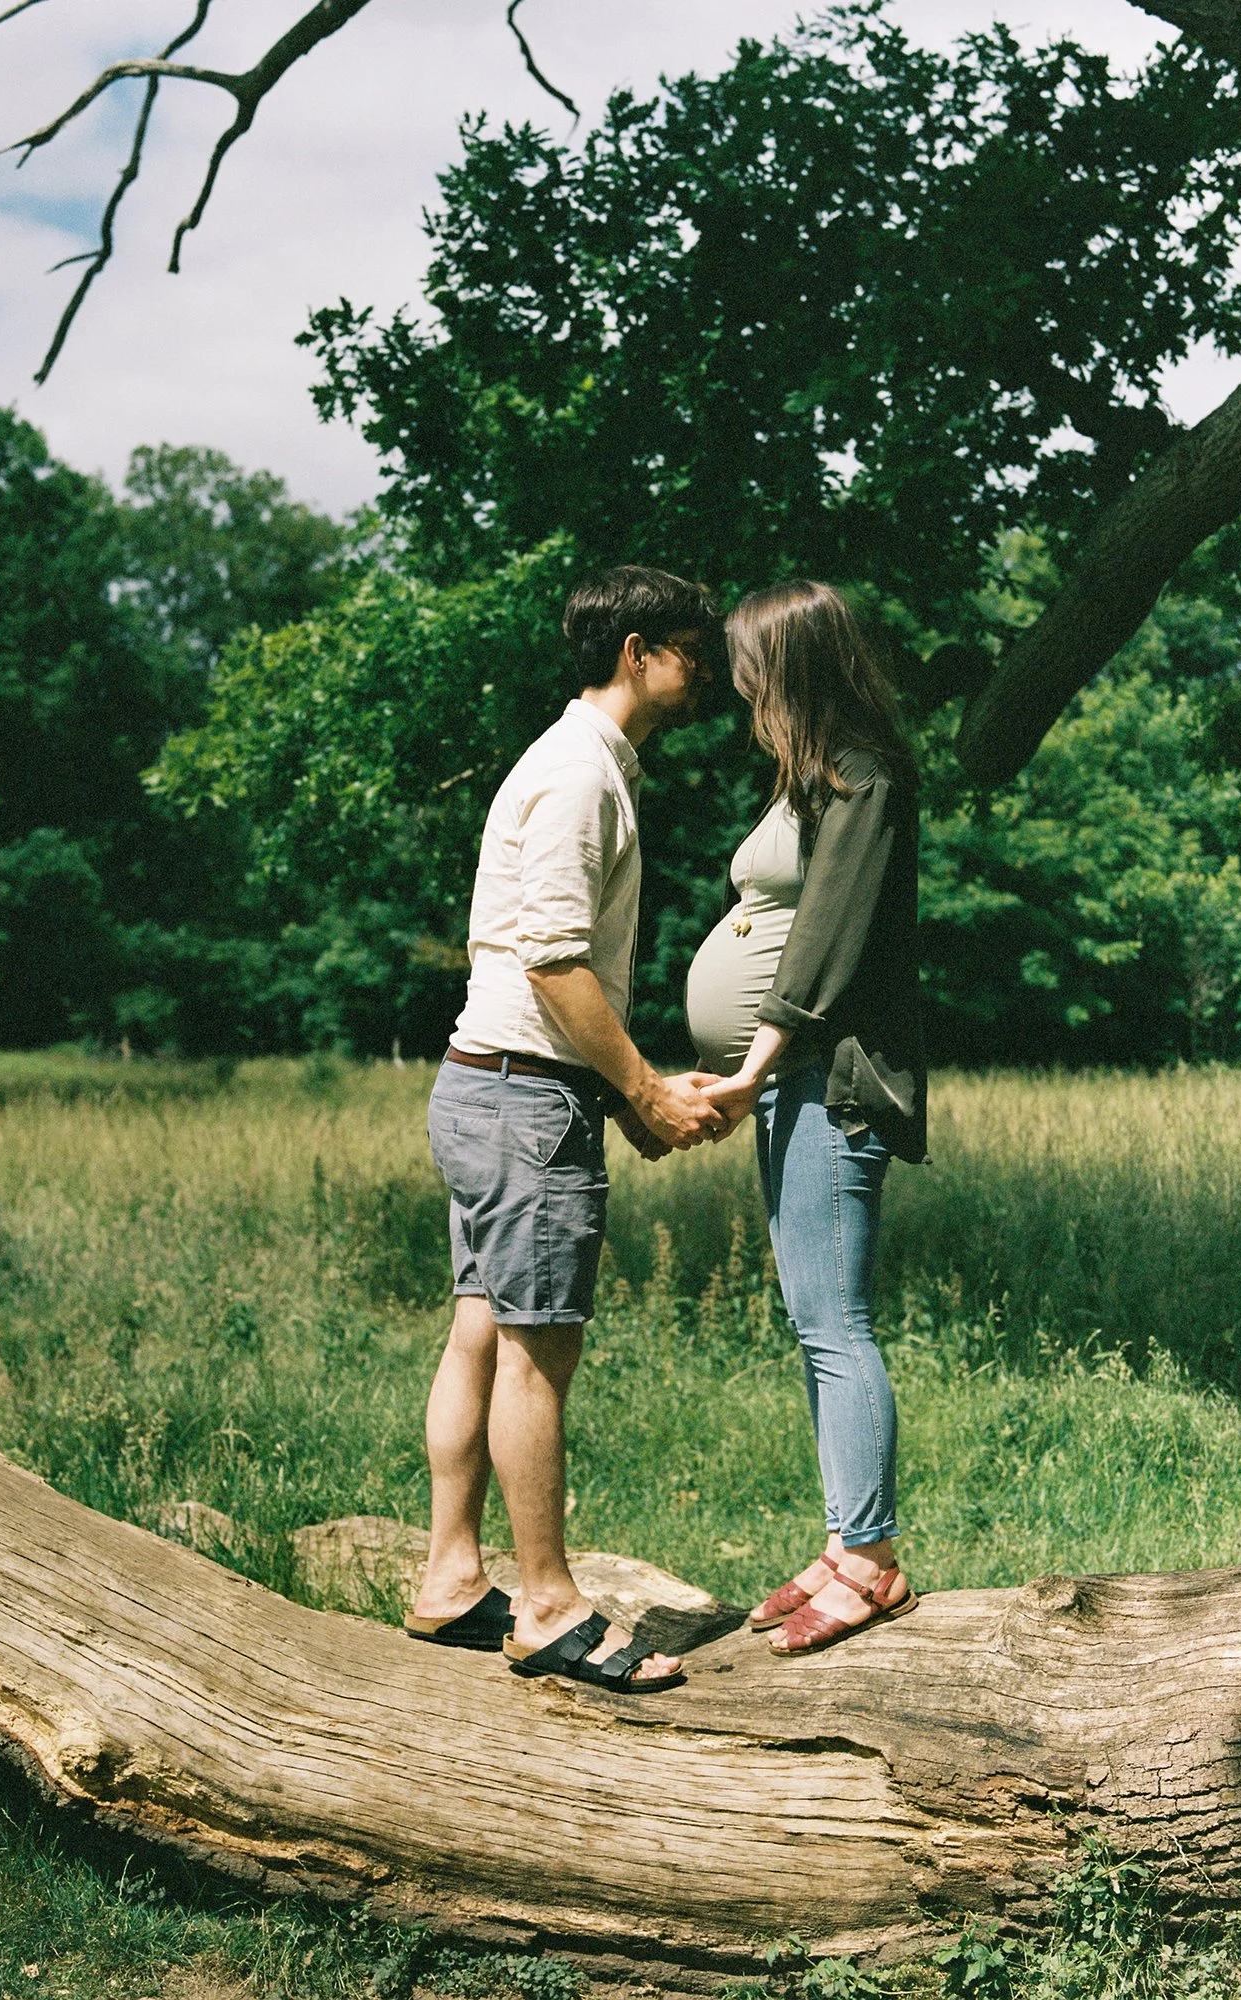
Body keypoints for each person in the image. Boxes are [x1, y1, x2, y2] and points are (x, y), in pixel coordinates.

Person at [407, 565, 725, 1693]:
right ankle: (545, 1607)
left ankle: (449, 1578)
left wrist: (619, 1095)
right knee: (536, 1356)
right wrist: (639, 1088)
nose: (710, 678)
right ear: (638, 650)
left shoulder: (571, 761)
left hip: (495, 1086)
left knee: (482, 1332)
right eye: (696, 653)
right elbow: (550, 959)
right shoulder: (583, 773)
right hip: (523, 1098)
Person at [686, 580, 927, 1657]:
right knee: (813, 1324)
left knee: (837, 1324)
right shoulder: (813, 780)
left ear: (786, 663)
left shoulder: (865, 779)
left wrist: (749, 1069)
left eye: (744, 659)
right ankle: (842, 1540)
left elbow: (822, 948)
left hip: (828, 1082)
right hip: (787, 1084)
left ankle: (869, 1562)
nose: (732, 677)